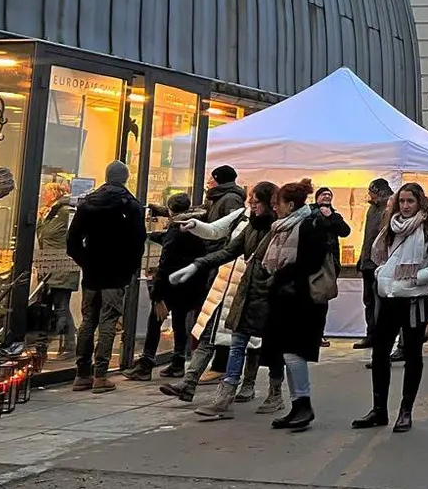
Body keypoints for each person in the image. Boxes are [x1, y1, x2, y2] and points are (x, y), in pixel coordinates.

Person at [175, 181, 282, 419]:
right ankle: (222, 398)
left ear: (269, 203)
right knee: (233, 342)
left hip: (268, 296)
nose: (251, 206)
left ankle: (274, 392)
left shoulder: (280, 228)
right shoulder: (248, 222)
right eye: (250, 201)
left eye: (255, 202)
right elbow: (225, 244)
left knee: (269, 347)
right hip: (238, 291)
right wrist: (198, 263)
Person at [352, 182, 428, 434]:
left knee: (413, 355)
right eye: (402, 201)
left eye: (410, 201)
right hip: (389, 297)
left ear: (420, 203)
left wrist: (415, 277)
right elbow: (381, 256)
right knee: (379, 352)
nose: (405, 206)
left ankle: (406, 410)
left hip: (415, 300)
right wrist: (383, 275)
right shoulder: (391, 226)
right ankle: (379, 409)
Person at [65, 160, 146, 393]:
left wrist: (85, 260)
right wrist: (129, 268)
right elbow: (138, 242)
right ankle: (101, 375)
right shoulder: (130, 205)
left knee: (88, 320)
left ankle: (82, 373)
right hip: (116, 272)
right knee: (108, 320)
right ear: (126, 178)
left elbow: (72, 241)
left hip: (92, 271)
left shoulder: (88, 203)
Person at [262, 179, 333, 430]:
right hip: (287, 297)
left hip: (302, 299)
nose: (275, 208)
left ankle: (303, 405)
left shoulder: (309, 224)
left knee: (294, 352)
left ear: (290, 204)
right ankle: (298, 405)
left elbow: (310, 262)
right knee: (288, 352)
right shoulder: (284, 226)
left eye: (278, 203)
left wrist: (283, 276)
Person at [126, 192, 209, 381]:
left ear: (171, 210)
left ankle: (146, 363)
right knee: (180, 321)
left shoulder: (175, 230)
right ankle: (178, 362)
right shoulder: (196, 225)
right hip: (190, 283)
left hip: (172, 284)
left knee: (155, 321)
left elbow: (166, 262)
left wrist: (157, 295)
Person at [34, 184, 79, 356]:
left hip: (61, 266)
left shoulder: (65, 212)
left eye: (46, 192)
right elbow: (43, 235)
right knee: (45, 306)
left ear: (54, 194)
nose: (43, 195)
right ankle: (42, 345)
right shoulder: (51, 212)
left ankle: (68, 344)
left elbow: (52, 233)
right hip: (48, 266)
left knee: (61, 306)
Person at [353, 179, 393, 349]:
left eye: (372, 192)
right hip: (368, 263)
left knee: (380, 302)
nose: (369, 195)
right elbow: (368, 237)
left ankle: (380, 336)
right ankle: (371, 334)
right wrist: (362, 257)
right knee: (369, 300)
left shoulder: (389, 208)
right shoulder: (372, 209)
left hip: (380, 263)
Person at [309, 187, 351, 348]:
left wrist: (331, 217)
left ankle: (318, 335)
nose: (326, 196)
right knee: (309, 300)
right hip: (311, 263)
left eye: (329, 194)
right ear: (317, 197)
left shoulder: (335, 215)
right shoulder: (309, 213)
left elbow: (345, 231)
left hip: (329, 264)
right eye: (323, 194)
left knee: (322, 300)